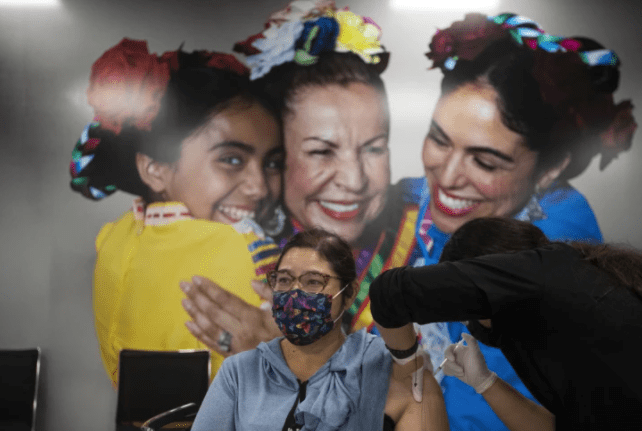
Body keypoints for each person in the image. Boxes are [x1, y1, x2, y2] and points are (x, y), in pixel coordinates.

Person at [395, 12, 637, 430]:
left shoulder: (549, 252)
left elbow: (497, 415)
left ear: (549, 170)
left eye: (485, 161)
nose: (447, 177)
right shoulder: (462, 198)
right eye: (439, 139)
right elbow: (413, 190)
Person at [180, 0, 421, 357]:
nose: (354, 181)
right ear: (277, 156)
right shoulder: (234, 250)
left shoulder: (431, 230)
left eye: (373, 149)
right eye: (321, 152)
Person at [69, 38, 283, 386]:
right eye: (231, 160)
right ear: (154, 167)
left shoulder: (113, 239)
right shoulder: (244, 248)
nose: (259, 187)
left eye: (273, 162)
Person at [370, 217, 642, 430]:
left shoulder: (540, 273)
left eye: (469, 313)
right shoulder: (557, 309)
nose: (472, 326)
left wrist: (408, 365)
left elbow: (388, 293)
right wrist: (485, 382)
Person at [191, 229, 449, 431]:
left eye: (313, 282)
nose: (295, 294)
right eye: (284, 280)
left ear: (348, 295)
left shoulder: (401, 383)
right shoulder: (239, 371)